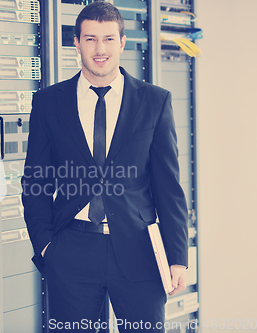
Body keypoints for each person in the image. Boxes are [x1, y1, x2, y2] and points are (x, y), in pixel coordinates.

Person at [21, 1, 188, 332]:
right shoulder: (49, 102)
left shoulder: (154, 102)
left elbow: (169, 187)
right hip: (72, 251)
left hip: (139, 249)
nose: (100, 49)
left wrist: (178, 257)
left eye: (109, 39)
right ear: (77, 43)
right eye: (91, 39)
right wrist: (47, 247)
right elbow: (35, 182)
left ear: (122, 43)